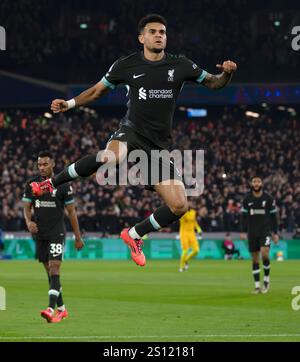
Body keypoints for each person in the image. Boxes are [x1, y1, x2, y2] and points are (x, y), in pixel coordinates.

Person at [30, 14, 237, 267]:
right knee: (110, 157)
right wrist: (70, 103)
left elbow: (215, 83)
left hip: (158, 147)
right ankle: (51, 183)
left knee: (180, 205)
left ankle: (134, 234)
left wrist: (226, 74)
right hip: (131, 131)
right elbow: (97, 91)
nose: (159, 35)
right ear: (142, 38)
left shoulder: (181, 65)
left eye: (162, 32)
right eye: (153, 32)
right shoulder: (126, 65)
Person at [23, 151, 84, 323]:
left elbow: (72, 213)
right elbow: (26, 207)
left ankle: (50, 309)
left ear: (53, 164)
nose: (42, 167)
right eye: (39, 164)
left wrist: (78, 237)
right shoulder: (31, 184)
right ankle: (62, 310)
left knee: (55, 268)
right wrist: (28, 222)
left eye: (45, 164)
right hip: (40, 235)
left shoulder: (63, 185)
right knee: (50, 274)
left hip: (57, 233)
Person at [240, 176, 279, 294]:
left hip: (265, 231)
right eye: (254, 181)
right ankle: (257, 286)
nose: (256, 183)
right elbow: (243, 217)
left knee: (264, 253)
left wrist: (275, 232)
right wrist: (242, 231)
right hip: (252, 232)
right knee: (255, 259)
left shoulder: (268, 198)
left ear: (261, 183)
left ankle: (266, 280)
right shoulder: (247, 199)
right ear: (251, 184)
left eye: (258, 181)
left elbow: (274, 217)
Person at [179, 201, 202, 272]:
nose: (190, 204)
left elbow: (194, 222)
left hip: (192, 234)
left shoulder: (193, 212)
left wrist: (199, 229)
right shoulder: (182, 213)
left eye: (190, 203)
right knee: (185, 251)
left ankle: (186, 260)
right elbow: (181, 219)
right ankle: (181, 267)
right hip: (184, 233)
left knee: (196, 251)